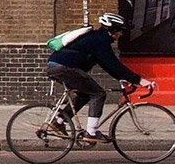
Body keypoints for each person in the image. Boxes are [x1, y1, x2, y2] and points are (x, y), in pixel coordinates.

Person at [45, 12, 154, 146]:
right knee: (98, 94)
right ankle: (91, 132)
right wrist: (139, 80)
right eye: (120, 30)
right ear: (113, 29)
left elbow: (108, 65)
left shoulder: (97, 38)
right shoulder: (100, 41)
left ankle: (58, 121)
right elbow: (113, 64)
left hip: (56, 66)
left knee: (85, 95)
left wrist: (122, 78)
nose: (121, 34)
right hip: (64, 68)